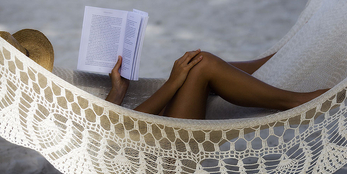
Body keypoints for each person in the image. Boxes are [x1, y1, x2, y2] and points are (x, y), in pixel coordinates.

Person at [106, 50, 328, 119]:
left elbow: (104, 125)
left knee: (194, 64)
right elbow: (121, 128)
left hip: (144, 134)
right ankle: (295, 101)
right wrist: (173, 83)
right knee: (203, 65)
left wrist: (117, 92)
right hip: (158, 152)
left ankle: (285, 58)